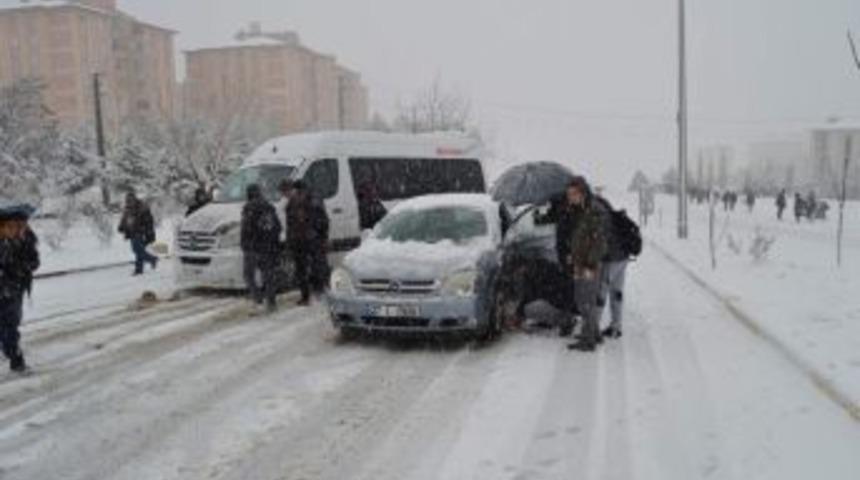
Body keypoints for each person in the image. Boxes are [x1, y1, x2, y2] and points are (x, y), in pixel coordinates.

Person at [562, 177, 608, 352]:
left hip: (590, 265)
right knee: (582, 299)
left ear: (582, 193)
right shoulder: (579, 210)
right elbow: (581, 239)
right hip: (580, 263)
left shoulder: (594, 210)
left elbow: (599, 243)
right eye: (569, 194)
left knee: (585, 301)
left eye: (573, 194)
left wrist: (589, 264)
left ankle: (588, 341)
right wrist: (573, 256)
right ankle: (594, 333)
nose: (570, 198)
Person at [0, 213, 39, 374]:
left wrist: (22, 269)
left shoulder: (26, 240)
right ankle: (12, 354)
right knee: (6, 325)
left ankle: (16, 359)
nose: (16, 229)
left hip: (14, 288)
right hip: (6, 288)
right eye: (11, 226)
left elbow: (34, 261)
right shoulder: (4, 243)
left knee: (11, 323)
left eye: (20, 225)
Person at [281, 180, 330, 306]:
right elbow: (290, 226)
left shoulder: (310, 201)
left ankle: (316, 293)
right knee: (305, 268)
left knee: (313, 267)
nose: (285, 195)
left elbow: (322, 220)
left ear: (294, 190)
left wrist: (321, 236)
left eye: (286, 191)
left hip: (309, 240)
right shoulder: (292, 204)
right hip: (303, 240)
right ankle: (310, 295)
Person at [593, 196, 633, 340]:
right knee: (617, 292)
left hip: (611, 258)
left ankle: (593, 329)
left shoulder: (596, 210)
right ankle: (616, 327)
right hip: (623, 255)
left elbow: (601, 238)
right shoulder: (605, 206)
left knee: (600, 292)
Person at [240, 184, 283, 312]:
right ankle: (271, 303)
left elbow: (246, 229)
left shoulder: (249, 208)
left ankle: (258, 298)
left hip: (252, 247)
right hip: (268, 247)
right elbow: (278, 227)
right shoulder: (269, 207)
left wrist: (245, 244)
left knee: (248, 275)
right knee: (268, 275)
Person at [118, 192, 157, 276]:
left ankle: (140, 268)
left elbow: (149, 221)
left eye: (130, 200)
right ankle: (151, 260)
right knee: (137, 250)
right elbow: (124, 219)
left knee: (138, 251)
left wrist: (148, 232)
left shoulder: (142, 208)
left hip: (141, 232)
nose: (129, 202)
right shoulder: (127, 209)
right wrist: (121, 227)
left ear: (134, 199)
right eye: (127, 200)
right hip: (131, 233)